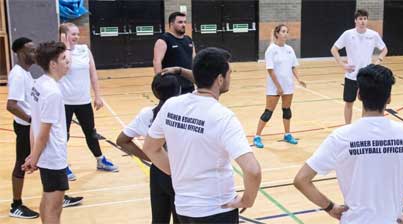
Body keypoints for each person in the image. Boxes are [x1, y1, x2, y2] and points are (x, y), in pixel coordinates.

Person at [294, 64, 403, 223]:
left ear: (359, 94)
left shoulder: (341, 137)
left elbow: (301, 180)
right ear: (389, 98)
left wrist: (330, 207)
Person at [143, 48, 261, 223]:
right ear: (220, 79)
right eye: (229, 73)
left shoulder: (171, 106)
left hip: (183, 208)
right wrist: (247, 200)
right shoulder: (223, 117)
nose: (230, 77)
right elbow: (253, 170)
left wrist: (176, 172)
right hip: (217, 210)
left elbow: (150, 148)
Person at [22, 41, 77, 223]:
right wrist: (34, 158)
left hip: (44, 155)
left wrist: (33, 155)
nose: (67, 63)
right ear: (53, 64)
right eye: (63, 59)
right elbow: (44, 132)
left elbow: (33, 123)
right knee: (54, 207)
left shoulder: (38, 84)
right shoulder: (53, 92)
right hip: (53, 157)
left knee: (47, 199)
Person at [116, 73, 182, 223]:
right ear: (179, 91)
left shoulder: (146, 114)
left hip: (158, 172)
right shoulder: (182, 116)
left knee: (158, 219)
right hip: (178, 172)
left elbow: (122, 140)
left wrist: (153, 157)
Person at [58, 23, 118, 181]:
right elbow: (66, 65)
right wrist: (66, 47)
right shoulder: (59, 52)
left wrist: (98, 96)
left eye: (77, 34)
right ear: (63, 36)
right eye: (72, 34)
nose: (76, 37)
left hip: (83, 100)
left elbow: (93, 74)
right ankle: (62, 165)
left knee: (90, 133)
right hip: (64, 102)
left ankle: (100, 160)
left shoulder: (85, 50)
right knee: (64, 136)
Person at [253, 24, 306, 148]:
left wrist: (298, 80)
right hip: (274, 87)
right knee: (268, 112)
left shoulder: (289, 49)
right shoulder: (271, 49)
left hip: (288, 85)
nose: (285, 34)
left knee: (287, 111)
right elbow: (270, 70)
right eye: (283, 31)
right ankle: (257, 136)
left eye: (286, 31)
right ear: (277, 33)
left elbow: (293, 66)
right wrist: (278, 87)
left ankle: (287, 134)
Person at [331, 9, 388, 124]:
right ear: (355, 21)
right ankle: (348, 126)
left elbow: (384, 49)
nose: (363, 21)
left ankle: (363, 126)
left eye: (365, 19)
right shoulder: (348, 34)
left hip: (367, 76)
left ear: (367, 20)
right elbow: (334, 49)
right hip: (351, 75)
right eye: (360, 19)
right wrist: (343, 64)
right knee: (349, 103)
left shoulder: (373, 35)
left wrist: (378, 61)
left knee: (366, 104)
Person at [6, 37, 39, 219]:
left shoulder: (26, 73)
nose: (34, 53)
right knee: (21, 164)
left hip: (33, 128)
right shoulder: (18, 74)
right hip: (26, 129)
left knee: (47, 160)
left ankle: (57, 193)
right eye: (31, 50)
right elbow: (11, 105)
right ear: (20, 52)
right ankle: (16, 205)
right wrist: (31, 119)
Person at [153, 11, 195, 93]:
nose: (183, 25)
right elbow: (157, 61)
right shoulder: (163, 40)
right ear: (171, 24)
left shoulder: (189, 40)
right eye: (180, 22)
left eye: (185, 22)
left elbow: (194, 60)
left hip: (189, 85)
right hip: (172, 87)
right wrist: (159, 81)